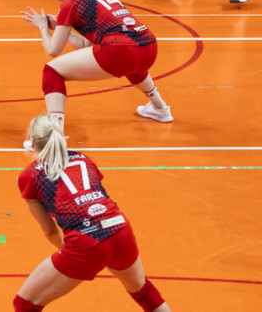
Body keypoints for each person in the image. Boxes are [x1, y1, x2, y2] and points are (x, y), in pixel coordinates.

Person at [13, 114, 171, 311]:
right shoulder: (84, 159)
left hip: (86, 241)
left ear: (32, 142)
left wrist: (72, 252)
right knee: (143, 292)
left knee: (25, 304)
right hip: (119, 229)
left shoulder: (30, 175)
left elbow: (50, 231)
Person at [20, 0, 171, 135]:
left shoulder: (69, 3)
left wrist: (43, 27)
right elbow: (86, 45)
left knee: (52, 71)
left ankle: (54, 136)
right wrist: (58, 27)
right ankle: (160, 108)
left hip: (121, 50)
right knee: (131, 64)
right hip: (148, 46)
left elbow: (53, 50)